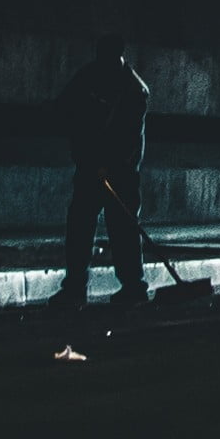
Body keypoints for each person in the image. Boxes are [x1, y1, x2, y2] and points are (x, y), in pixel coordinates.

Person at [63, 34, 157, 313]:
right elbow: (69, 107)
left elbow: (128, 137)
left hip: (121, 172)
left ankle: (133, 286)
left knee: (123, 230)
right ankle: (76, 287)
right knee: (80, 226)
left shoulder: (133, 90)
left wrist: (111, 164)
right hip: (91, 166)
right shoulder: (90, 76)